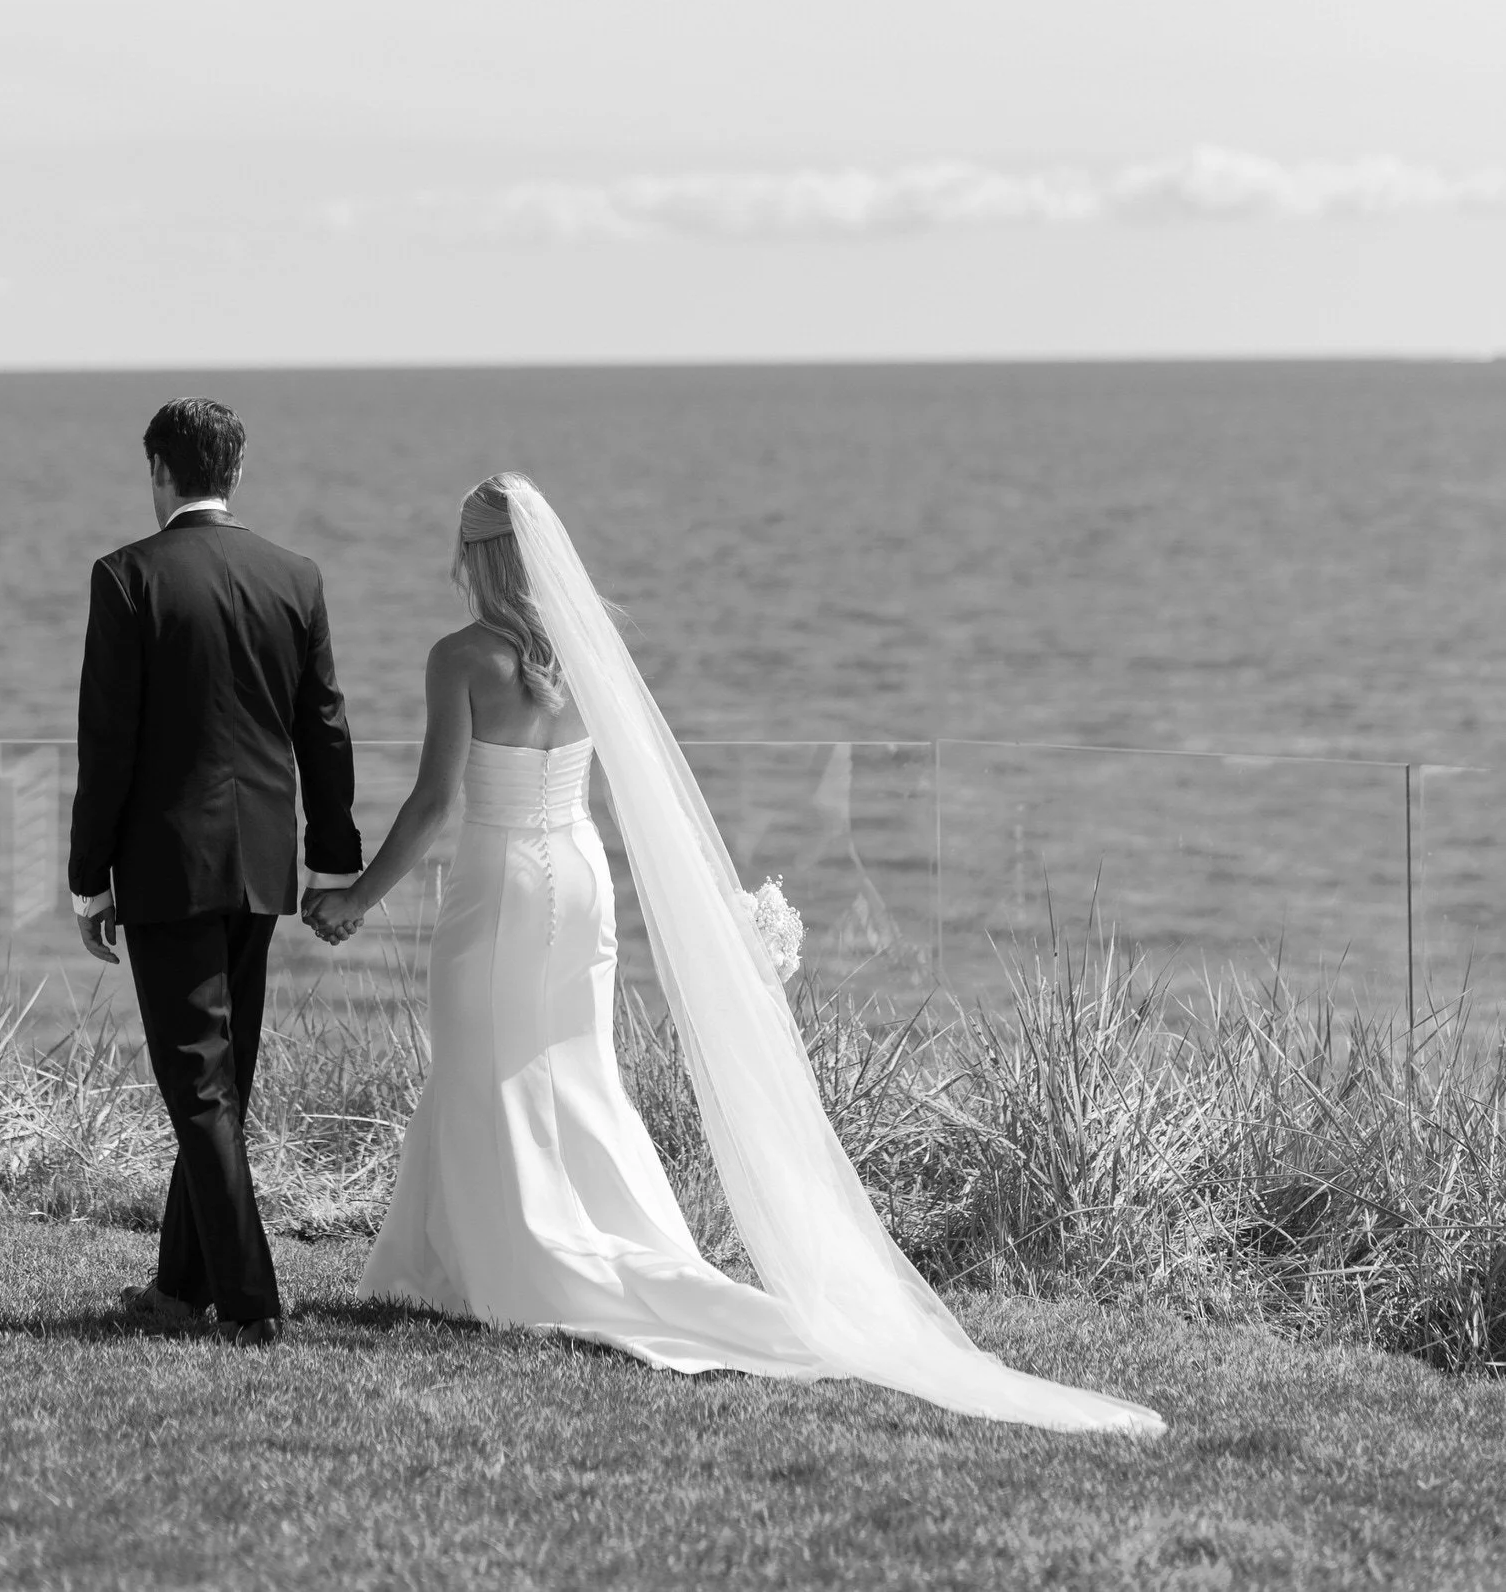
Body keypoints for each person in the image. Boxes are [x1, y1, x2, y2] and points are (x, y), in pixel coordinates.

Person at [308, 473, 1164, 1433]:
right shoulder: (593, 649)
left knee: (484, 1064)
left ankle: (512, 1256)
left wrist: (355, 898)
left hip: (502, 880)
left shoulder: (458, 657)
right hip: (583, 878)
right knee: (572, 1067)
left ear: (475, 559)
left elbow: (432, 802)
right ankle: (482, 1248)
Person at [68, 396, 363, 1344]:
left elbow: (106, 744)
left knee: (197, 1086)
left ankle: (248, 1300)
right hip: (263, 868)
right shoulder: (296, 578)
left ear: (160, 470)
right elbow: (325, 731)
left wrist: (88, 880)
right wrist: (333, 863)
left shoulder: (126, 577)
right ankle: (177, 1282)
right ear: (237, 472)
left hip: (166, 867)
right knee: (219, 1080)